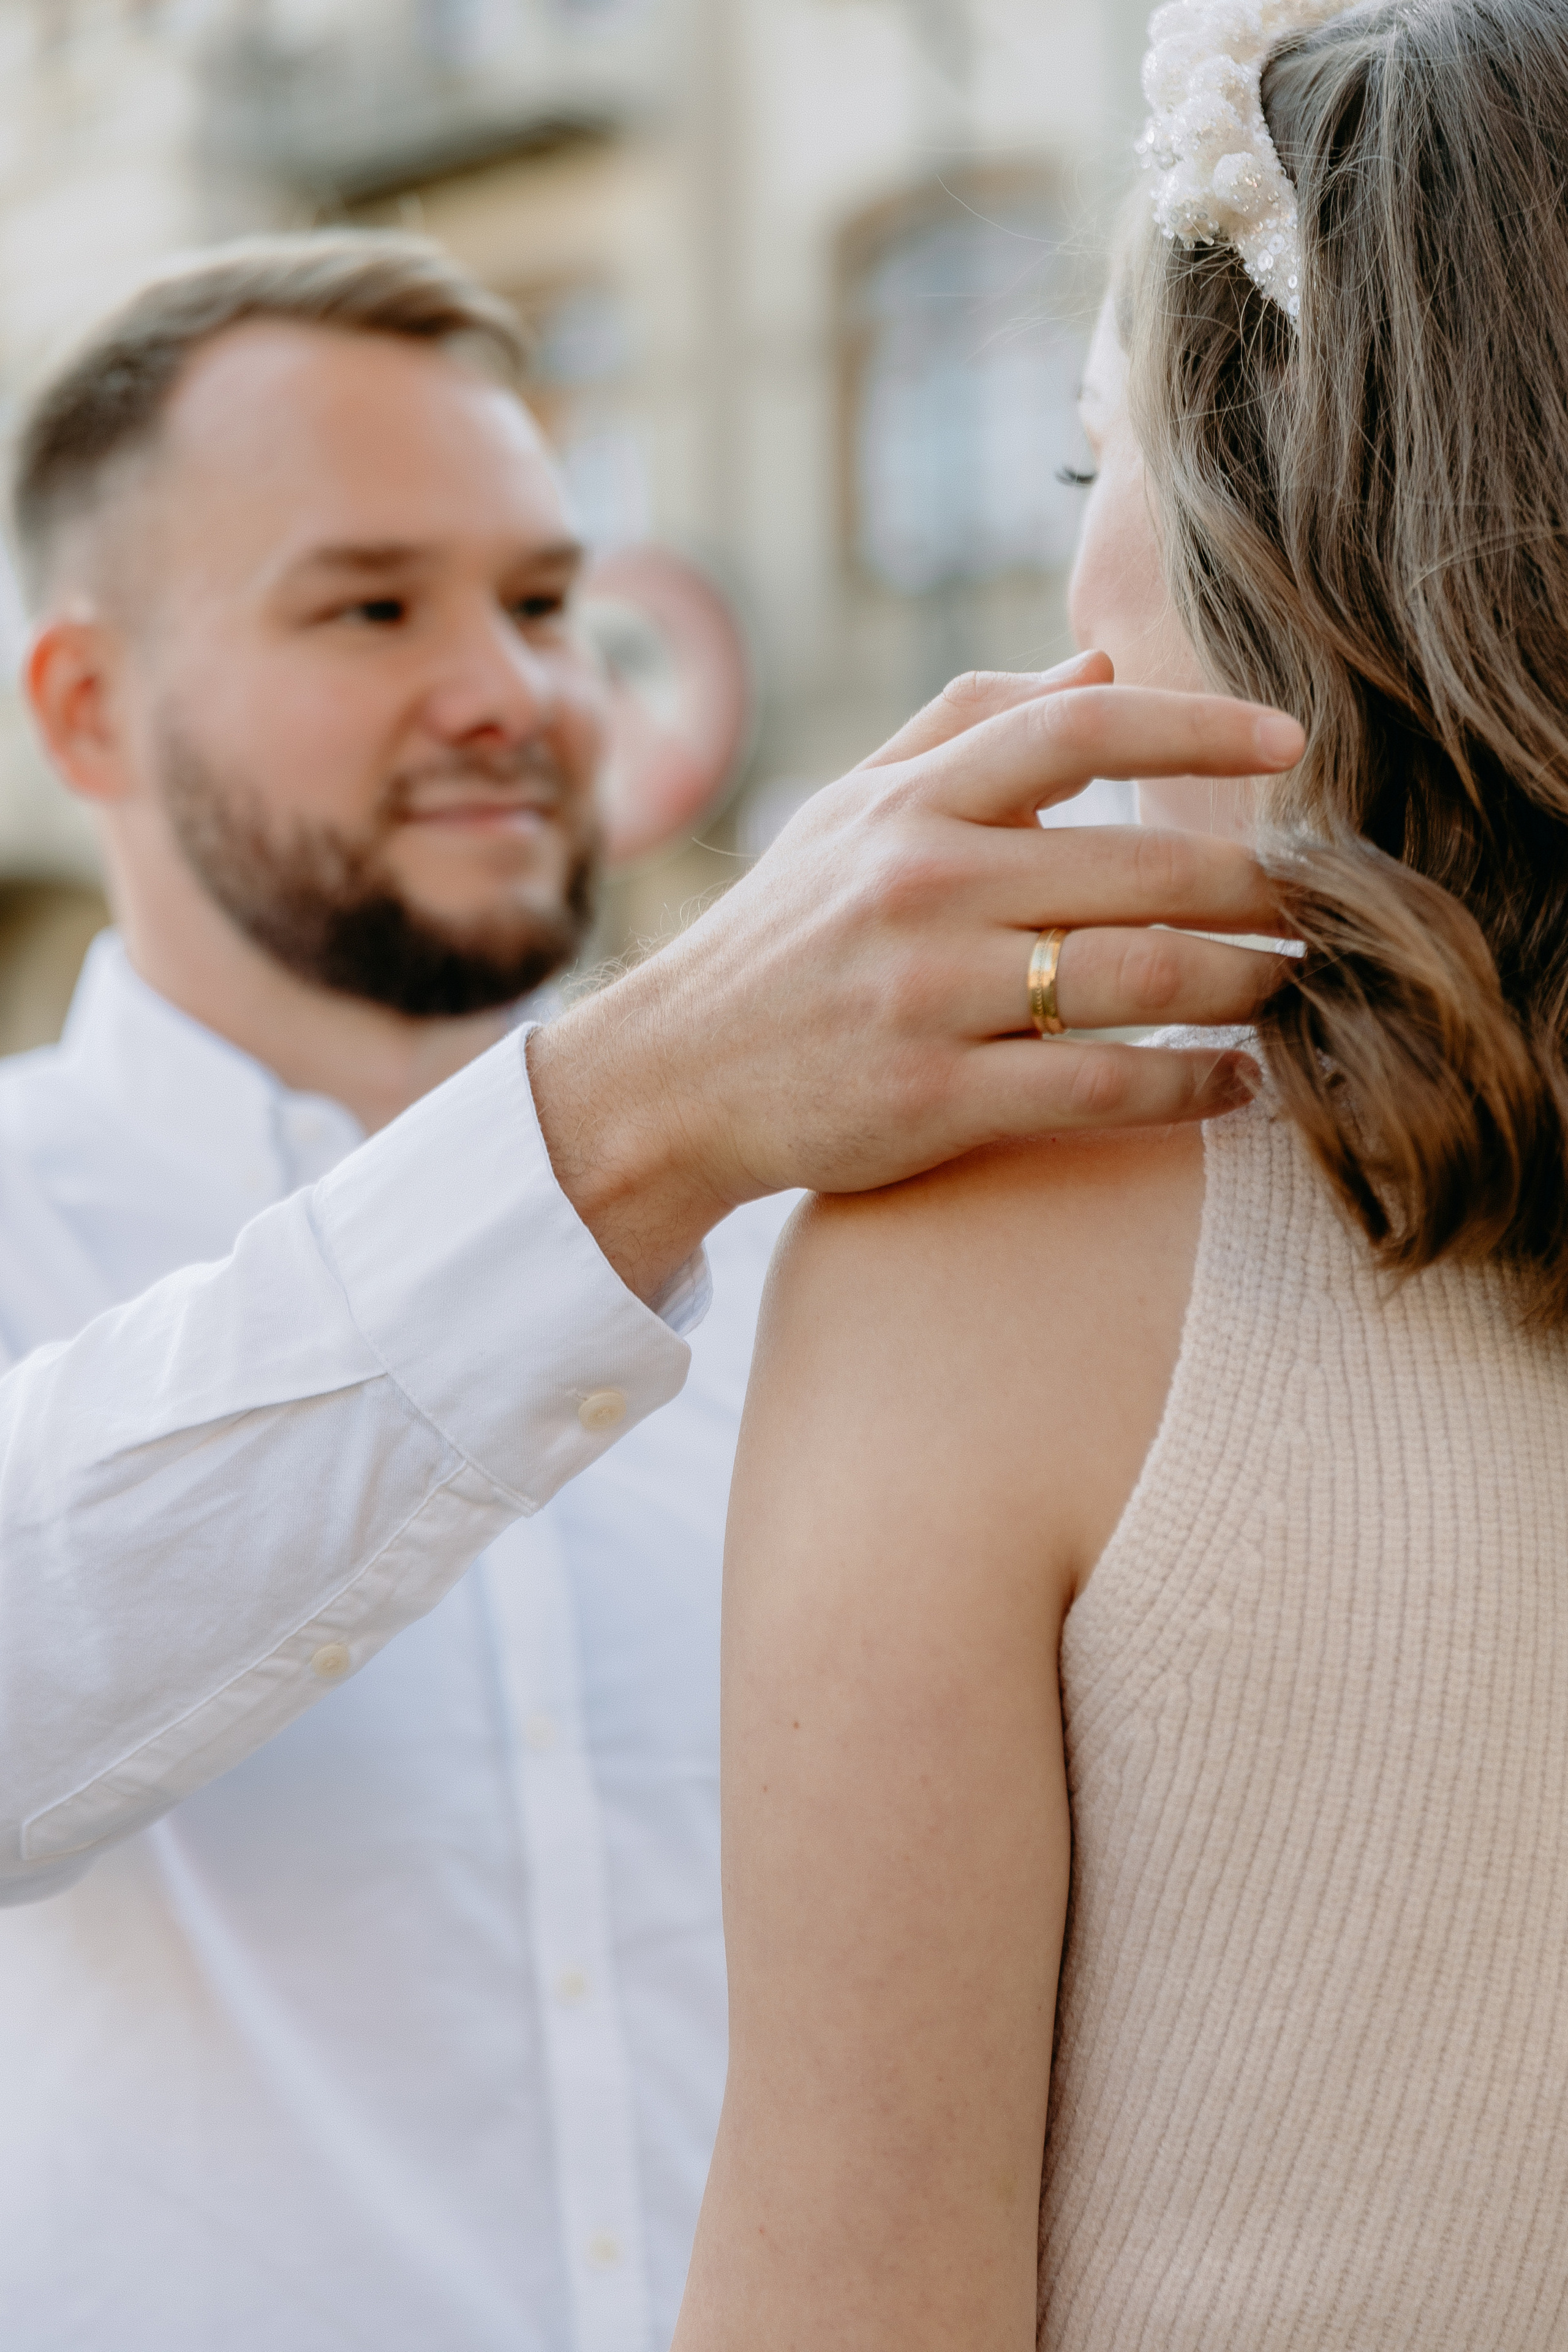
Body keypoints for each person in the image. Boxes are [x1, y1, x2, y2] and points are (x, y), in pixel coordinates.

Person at [0, 233, 1297, 2350]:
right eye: (369, 606)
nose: (512, 688)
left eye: (536, 598)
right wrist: (631, 1120)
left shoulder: (880, 1234)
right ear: (83, 704)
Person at [676, 4, 1568, 2347]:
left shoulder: (994, 1247)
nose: (1080, 592)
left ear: (1300, 529)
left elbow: (850, 2295)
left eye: (1103, 467)